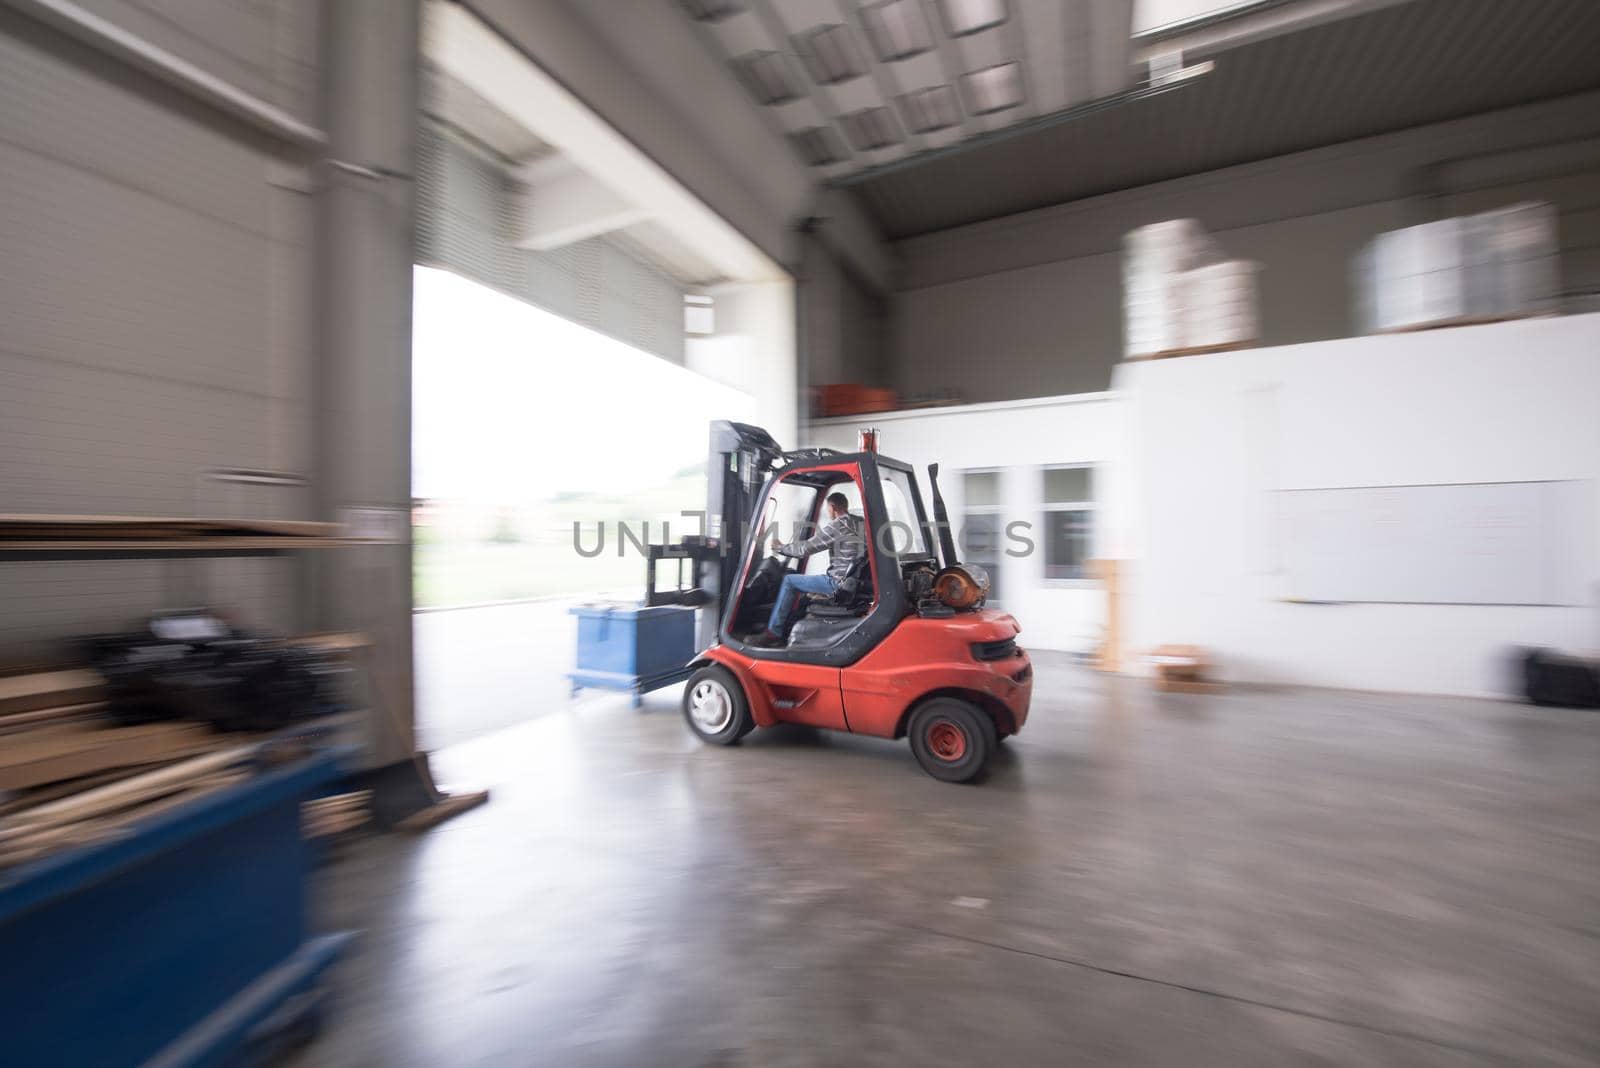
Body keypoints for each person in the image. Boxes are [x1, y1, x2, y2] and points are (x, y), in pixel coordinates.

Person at [753, 492, 864, 646]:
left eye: (828, 509)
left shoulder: (838, 525)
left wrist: (780, 547)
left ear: (832, 507)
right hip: (854, 581)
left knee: (789, 580)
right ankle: (791, 629)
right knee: (805, 593)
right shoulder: (860, 522)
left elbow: (805, 549)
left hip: (837, 582)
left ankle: (774, 632)